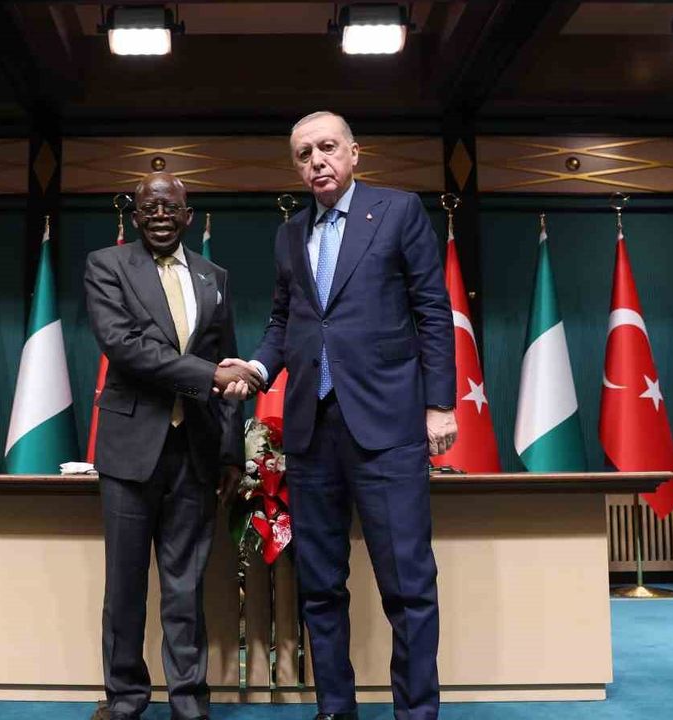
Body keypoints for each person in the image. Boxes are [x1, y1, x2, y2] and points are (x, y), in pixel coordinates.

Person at [224, 111, 457, 720]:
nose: (316, 161)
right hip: (310, 432)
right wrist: (256, 369)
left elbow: (433, 311)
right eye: (304, 154)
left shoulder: (399, 211)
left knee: (407, 585)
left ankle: (416, 713)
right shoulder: (289, 233)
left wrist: (439, 405)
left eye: (327, 147)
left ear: (355, 152)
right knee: (321, 585)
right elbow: (284, 321)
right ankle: (335, 708)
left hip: (388, 428)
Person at [84, 171, 261, 720]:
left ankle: (189, 703)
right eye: (148, 208)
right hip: (131, 451)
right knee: (125, 586)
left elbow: (228, 362)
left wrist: (231, 453)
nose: (159, 216)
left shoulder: (214, 276)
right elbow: (125, 346)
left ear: (188, 215)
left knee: (186, 588)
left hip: (197, 455)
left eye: (169, 207)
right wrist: (210, 375)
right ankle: (125, 699)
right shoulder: (107, 265)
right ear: (134, 215)